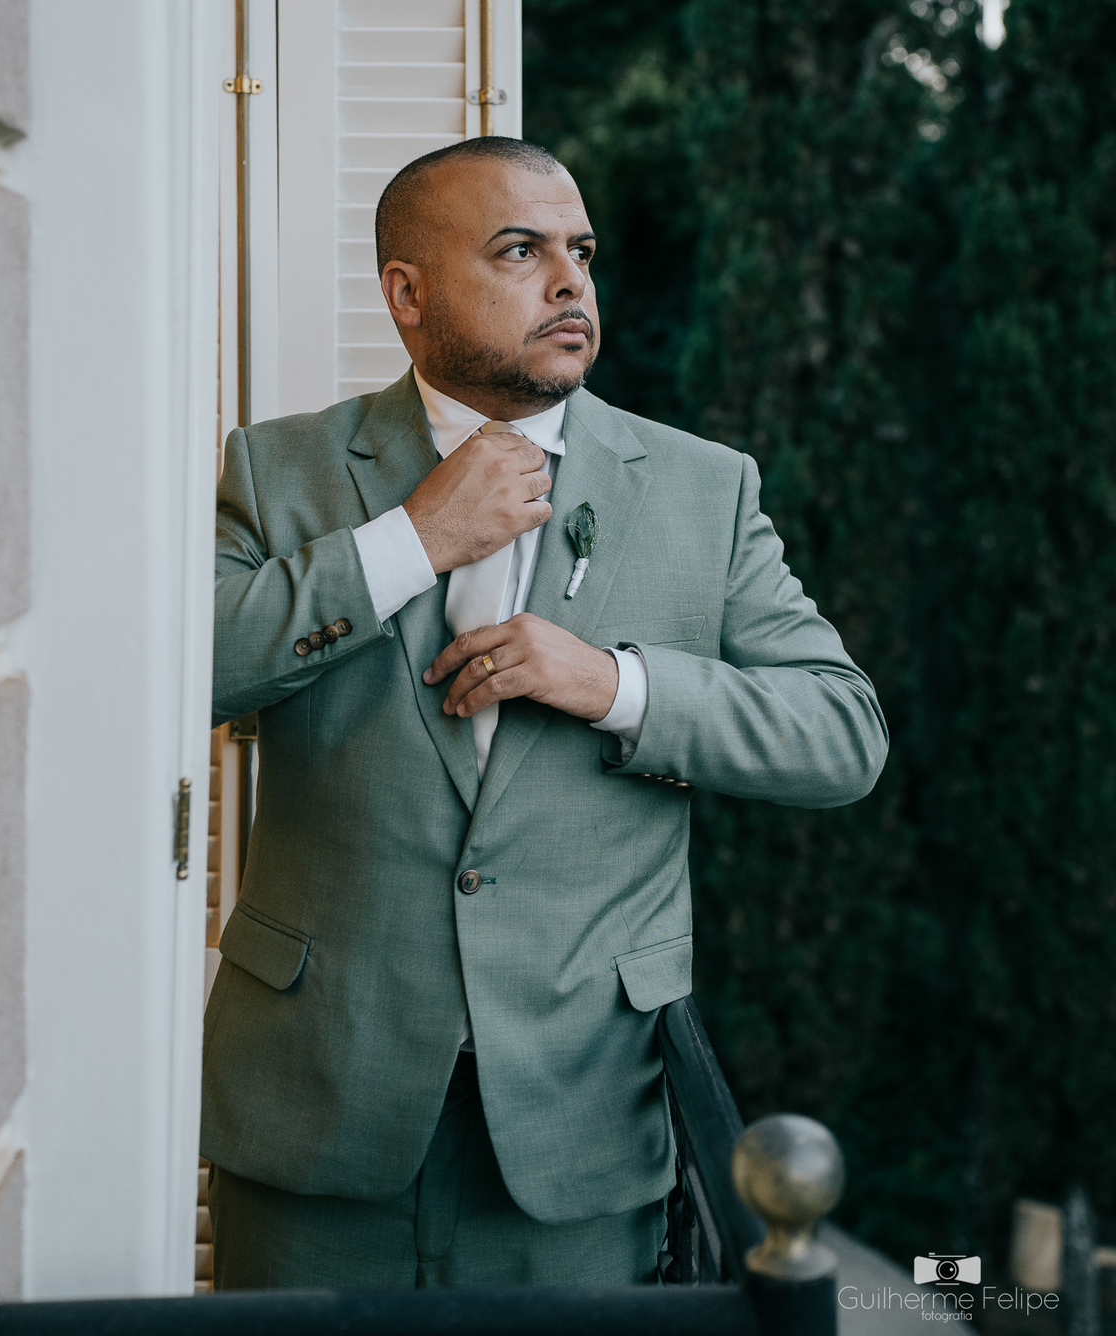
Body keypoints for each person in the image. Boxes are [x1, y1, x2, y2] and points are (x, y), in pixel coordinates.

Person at [203, 137, 887, 1290]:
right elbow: (189, 669)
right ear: (407, 294)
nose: (571, 281)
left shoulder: (703, 488)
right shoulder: (281, 471)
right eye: (520, 251)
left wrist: (614, 684)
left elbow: (841, 734)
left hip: (581, 1123)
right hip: (313, 1108)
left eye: (582, 251)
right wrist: (412, 541)